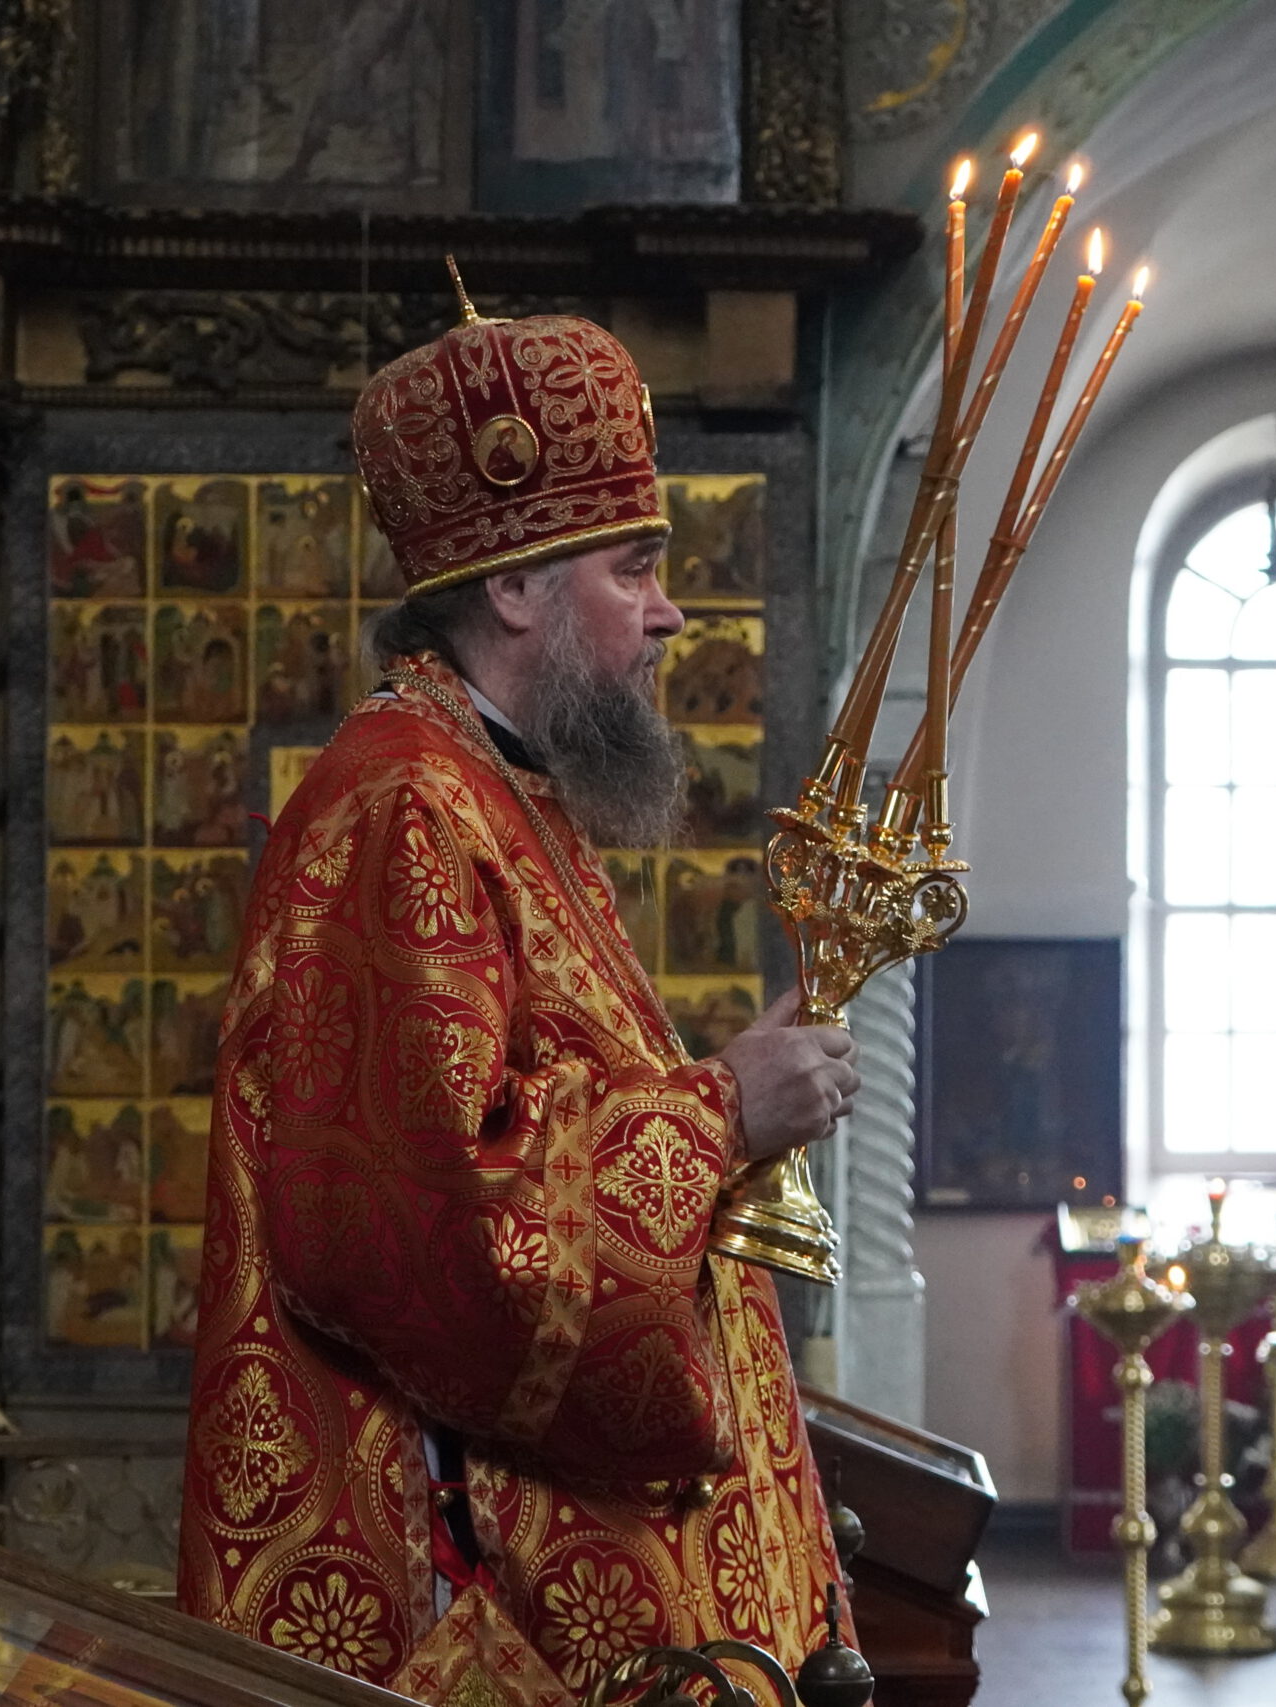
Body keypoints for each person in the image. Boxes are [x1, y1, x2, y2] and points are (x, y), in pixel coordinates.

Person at [177, 281, 862, 1702]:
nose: (671, 614)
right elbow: (436, 1230)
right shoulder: (405, 804)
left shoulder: (493, 788)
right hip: (470, 1599)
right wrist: (720, 1113)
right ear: (513, 588)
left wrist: (720, 1105)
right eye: (634, 570)